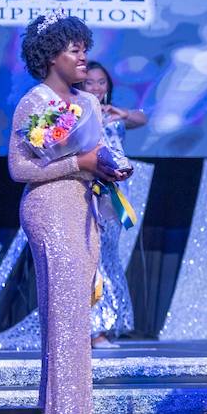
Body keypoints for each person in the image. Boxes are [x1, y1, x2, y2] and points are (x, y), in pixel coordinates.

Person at [8, 13, 129, 414]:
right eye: (73, 49)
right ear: (49, 56)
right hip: (48, 210)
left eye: (84, 47)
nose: (83, 56)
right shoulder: (34, 103)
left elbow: (94, 154)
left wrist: (109, 166)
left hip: (84, 208)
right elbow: (19, 168)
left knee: (73, 318)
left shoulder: (90, 104)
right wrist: (77, 163)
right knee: (66, 321)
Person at [81, 61, 147, 349]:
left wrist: (121, 113)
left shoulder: (112, 115)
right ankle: (94, 328)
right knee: (92, 258)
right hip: (91, 190)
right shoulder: (79, 114)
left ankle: (108, 323)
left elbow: (141, 119)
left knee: (108, 257)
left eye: (101, 82)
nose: (96, 88)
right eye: (90, 83)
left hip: (115, 194)